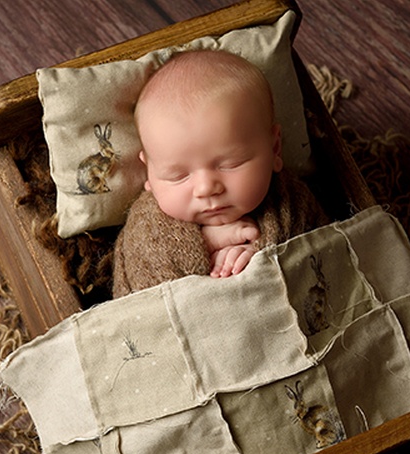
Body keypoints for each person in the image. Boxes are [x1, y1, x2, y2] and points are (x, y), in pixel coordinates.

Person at [112, 50, 329, 298]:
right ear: (149, 173)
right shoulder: (147, 225)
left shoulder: (292, 200)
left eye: (230, 164)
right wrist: (206, 246)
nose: (206, 188)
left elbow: (323, 250)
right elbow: (139, 285)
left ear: (274, 149)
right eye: (178, 175)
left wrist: (259, 260)